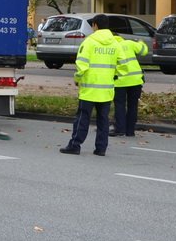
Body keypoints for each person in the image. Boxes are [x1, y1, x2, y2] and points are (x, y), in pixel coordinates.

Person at [60, 14, 118, 156]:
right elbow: (122, 64)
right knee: (103, 120)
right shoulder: (115, 43)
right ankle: (101, 149)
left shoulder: (89, 42)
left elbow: (82, 65)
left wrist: (77, 78)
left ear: (95, 25)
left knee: (82, 118)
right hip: (106, 89)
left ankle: (75, 145)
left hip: (89, 88)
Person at [112, 36, 147, 137]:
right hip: (135, 80)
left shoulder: (112, 47)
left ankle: (119, 129)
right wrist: (141, 42)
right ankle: (130, 131)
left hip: (120, 81)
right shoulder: (129, 43)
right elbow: (144, 51)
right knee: (133, 105)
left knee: (120, 105)